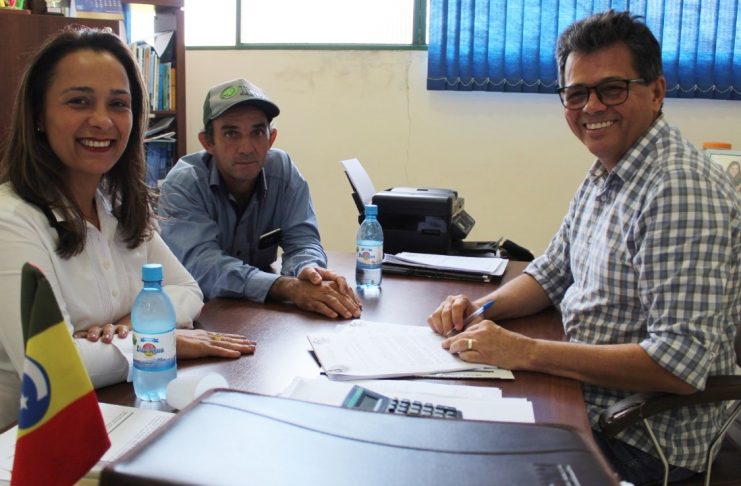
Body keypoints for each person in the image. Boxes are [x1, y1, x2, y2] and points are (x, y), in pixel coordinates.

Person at [427, 10, 740, 486]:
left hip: (639, 437)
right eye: (576, 94)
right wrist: (479, 309)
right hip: (580, 395)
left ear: (656, 91)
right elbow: (551, 272)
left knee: (455, 465)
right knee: (435, 428)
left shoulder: (678, 189)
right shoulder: (609, 170)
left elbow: (677, 364)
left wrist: (526, 351)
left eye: (611, 89)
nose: (591, 107)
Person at [0, 27, 256, 429]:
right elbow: (53, 366)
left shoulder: (118, 206)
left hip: (112, 413)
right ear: (38, 116)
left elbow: (188, 291)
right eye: (79, 101)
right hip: (24, 440)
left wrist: (129, 324)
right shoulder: (11, 221)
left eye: (119, 104)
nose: (102, 120)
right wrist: (157, 342)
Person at [158, 78, 361, 319]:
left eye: (257, 132)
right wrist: (284, 287)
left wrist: (309, 271)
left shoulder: (282, 171)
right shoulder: (183, 184)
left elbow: (303, 240)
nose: (246, 148)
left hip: (259, 312)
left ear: (271, 138)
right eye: (231, 134)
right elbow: (202, 266)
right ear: (208, 143)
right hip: (196, 316)